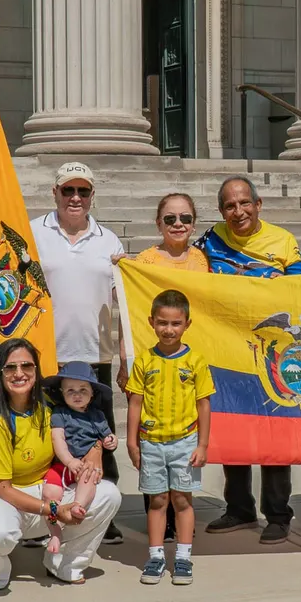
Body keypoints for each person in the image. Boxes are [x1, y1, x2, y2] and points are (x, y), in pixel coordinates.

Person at [198, 176, 301, 545]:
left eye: (245, 203)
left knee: (275, 432)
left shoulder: (283, 241)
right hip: (226, 349)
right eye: (230, 205)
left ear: (258, 205)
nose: (238, 211)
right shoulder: (210, 239)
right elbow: (184, 269)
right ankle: (239, 508)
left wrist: (277, 284)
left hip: (272, 351)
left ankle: (278, 513)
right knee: (234, 428)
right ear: (221, 211)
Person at [0, 339, 123, 589]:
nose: (19, 373)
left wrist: (96, 450)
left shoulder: (51, 405)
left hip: (48, 490)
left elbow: (85, 427)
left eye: (26, 366)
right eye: (10, 367)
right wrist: (52, 510)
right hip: (2, 498)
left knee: (108, 494)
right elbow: (1, 489)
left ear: (36, 370)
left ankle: (64, 562)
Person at [30, 161, 127, 545]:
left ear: (92, 196)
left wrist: (125, 357)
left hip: (94, 355)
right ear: (54, 192)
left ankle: (102, 509)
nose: (75, 197)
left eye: (82, 191)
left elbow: (126, 304)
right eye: (67, 190)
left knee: (98, 436)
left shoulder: (110, 241)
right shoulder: (32, 233)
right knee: (45, 437)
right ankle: (43, 512)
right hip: (45, 355)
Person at [114, 192, 210, 540]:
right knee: (152, 438)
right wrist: (125, 359)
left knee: (182, 437)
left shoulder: (201, 260)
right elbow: (129, 313)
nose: (178, 224)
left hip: (188, 361)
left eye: (185, 218)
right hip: (150, 360)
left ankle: (180, 516)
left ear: (194, 224)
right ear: (158, 223)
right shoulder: (145, 260)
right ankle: (160, 517)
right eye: (170, 218)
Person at [127, 289, 213, 586]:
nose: (169, 329)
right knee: (158, 500)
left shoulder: (196, 361)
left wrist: (202, 444)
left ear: (187, 324)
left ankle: (184, 557)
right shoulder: (144, 361)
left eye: (176, 323)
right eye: (162, 322)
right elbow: (135, 402)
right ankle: (155, 557)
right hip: (151, 442)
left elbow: (204, 404)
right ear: (151, 321)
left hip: (185, 443)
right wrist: (132, 442)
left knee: (182, 500)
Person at [41, 362, 118, 553]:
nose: (77, 395)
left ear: (92, 394)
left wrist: (111, 441)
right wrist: (69, 461)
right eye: (71, 390)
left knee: (89, 477)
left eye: (83, 390)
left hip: (85, 465)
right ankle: (54, 532)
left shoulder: (97, 415)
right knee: (50, 494)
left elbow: (107, 436)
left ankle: (77, 506)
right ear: (62, 393)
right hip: (62, 466)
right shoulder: (60, 413)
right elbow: (57, 438)